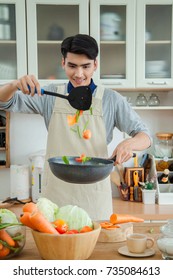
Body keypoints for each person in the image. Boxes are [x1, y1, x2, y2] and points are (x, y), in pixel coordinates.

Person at [0, 34, 152, 220]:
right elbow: (5, 102)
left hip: (94, 196)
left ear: (95, 64)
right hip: (56, 196)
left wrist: (129, 143)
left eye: (85, 66)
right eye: (72, 66)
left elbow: (145, 135)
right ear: (63, 63)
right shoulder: (49, 96)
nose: (79, 74)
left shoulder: (111, 100)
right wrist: (14, 85)